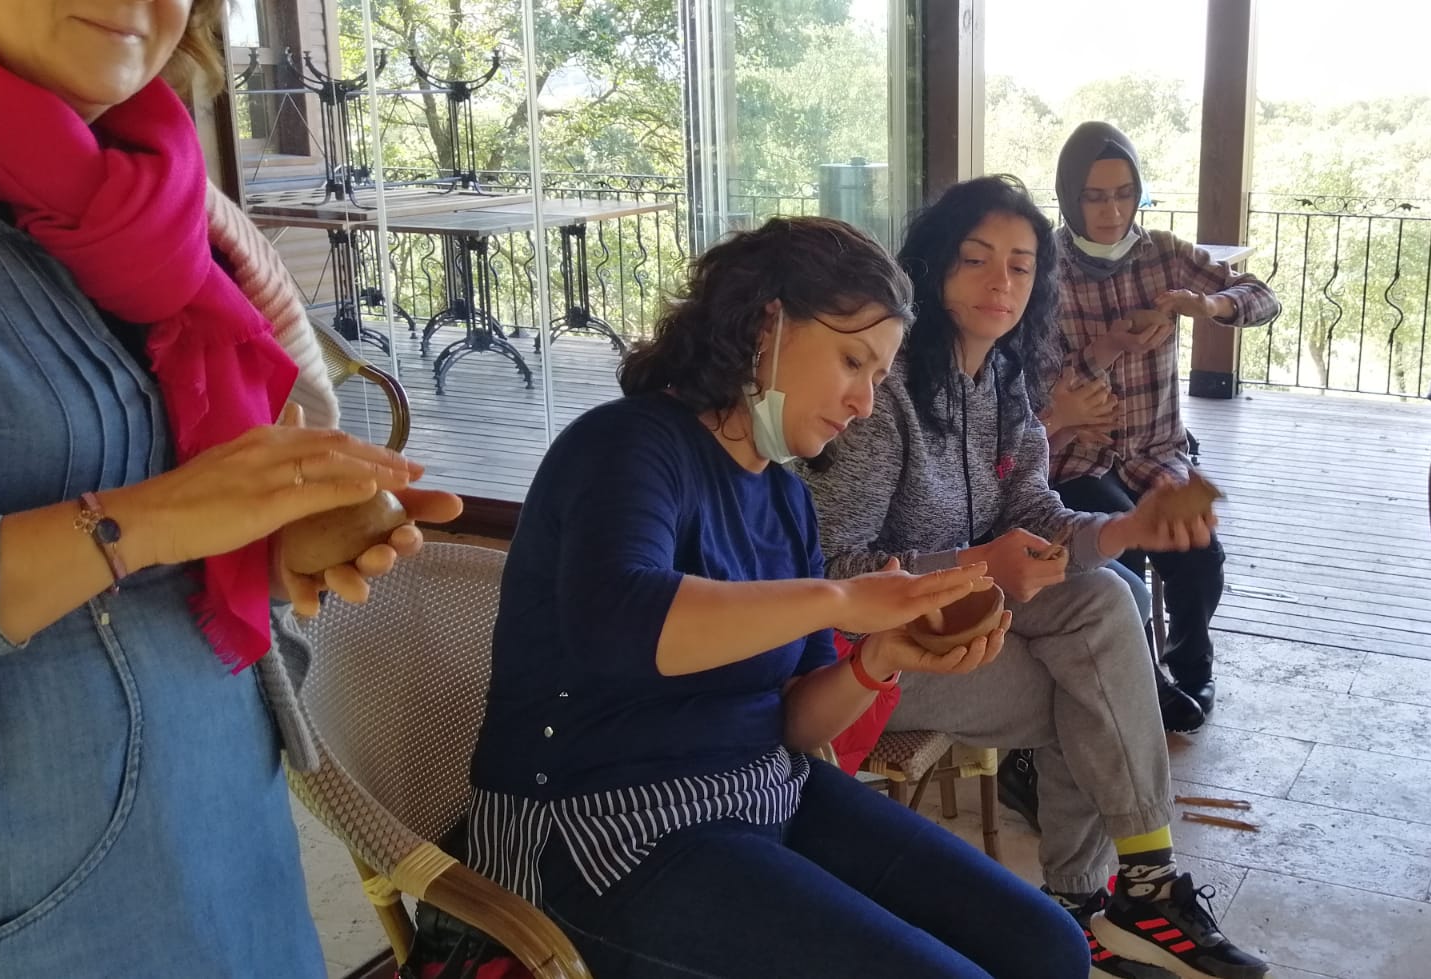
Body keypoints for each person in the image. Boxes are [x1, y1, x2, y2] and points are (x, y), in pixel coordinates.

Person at [0, 0, 462, 972]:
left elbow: (163, 520)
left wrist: (262, 542)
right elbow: (149, 518)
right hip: (14, 914)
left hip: (234, 851)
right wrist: (144, 523)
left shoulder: (156, 195)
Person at [463, 216, 1089, 978]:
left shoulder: (786, 500)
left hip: (763, 792)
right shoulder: (627, 445)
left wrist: (878, 658)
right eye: (853, 361)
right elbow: (620, 622)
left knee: (1048, 947)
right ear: (768, 323)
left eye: (879, 376)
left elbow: (796, 722)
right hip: (600, 826)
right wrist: (837, 597)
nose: (864, 402)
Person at [803, 176, 1267, 979]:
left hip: (966, 611)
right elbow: (830, 568)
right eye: (976, 259)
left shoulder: (1004, 381)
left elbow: (1036, 514)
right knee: (1090, 695)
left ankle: (1127, 890)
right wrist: (979, 564)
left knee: (1107, 601)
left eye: (1021, 266)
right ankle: (1100, 900)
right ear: (933, 268)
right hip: (876, 649)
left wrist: (1128, 529)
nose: (1001, 282)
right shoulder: (885, 390)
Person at [1047, 121, 1283, 727]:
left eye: (1125, 193)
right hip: (1078, 454)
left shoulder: (1163, 253)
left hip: (1156, 449)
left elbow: (1262, 298)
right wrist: (1107, 348)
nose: (1112, 211)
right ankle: (1141, 681)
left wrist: (1210, 305)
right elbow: (1036, 383)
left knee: (1200, 552)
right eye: (1094, 197)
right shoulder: (1044, 267)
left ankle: (1191, 666)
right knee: (1119, 557)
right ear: (1070, 196)